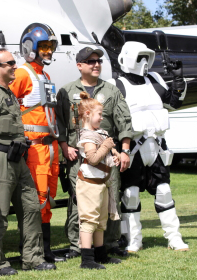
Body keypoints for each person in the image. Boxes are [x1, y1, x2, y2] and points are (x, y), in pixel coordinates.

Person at [0, 48, 56, 276]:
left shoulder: (8, 93)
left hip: (18, 157)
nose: (14, 66)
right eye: (9, 63)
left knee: (31, 208)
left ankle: (33, 259)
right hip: (0, 157)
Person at [111, 41, 189, 252]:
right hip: (132, 148)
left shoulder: (154, 80)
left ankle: (174, 238)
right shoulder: (116, 85)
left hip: (157, 146)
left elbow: (174, 102)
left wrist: (178, 79)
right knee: (130, 194)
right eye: (140, 57)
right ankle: (132, 240)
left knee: (164, 190)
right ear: (127, 58)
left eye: (147, 57)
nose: (144, 62)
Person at [56, 47, 133, 259]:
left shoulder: (111, 91)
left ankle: (109, 244)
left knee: (110, 197)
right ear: (79, 65)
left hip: (107, 157)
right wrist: (64, 147)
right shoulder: (66, 91)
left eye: (98, 61)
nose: (96, 64)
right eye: (90, 61)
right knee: (77, 199)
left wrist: (125, 150)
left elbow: (124, 121)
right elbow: (59, 123)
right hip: (78, 158)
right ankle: (76, 246)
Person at [9, 23, 65, 263]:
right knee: (37, 198)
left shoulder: (45, 75)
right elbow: (7, 104)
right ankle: (33, 250)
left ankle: (46, 250)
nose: (48, 51)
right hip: (35, 147)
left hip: (49, 146)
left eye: (50, 46)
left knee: (48, 198)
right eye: (43, 46)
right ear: (30, 47)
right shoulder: (22, 73)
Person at [76, 91, 122, 269]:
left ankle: (101, 255)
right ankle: (87, 260)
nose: (102, 118)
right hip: (89, 184)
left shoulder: (100, 133)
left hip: (101, 183)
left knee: (101, 221)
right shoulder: (87, 136)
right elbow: (94, 159)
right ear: (88, 114)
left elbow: (108, 150)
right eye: (99, 114)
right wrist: (106, 146)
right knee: (89, 221)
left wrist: (115, 155)